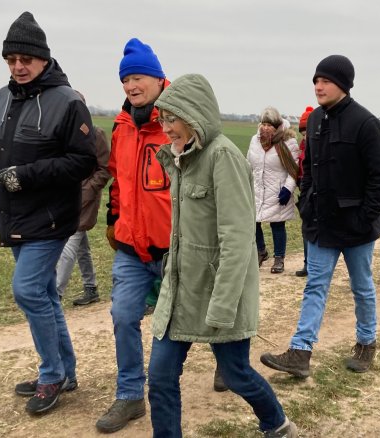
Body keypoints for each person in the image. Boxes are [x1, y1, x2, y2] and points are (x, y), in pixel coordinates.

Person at [150, 73, 298, 438]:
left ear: (195, 114)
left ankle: (277, 424)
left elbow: (238, 239)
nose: (166, 129)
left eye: (173, 119)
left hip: (220, 290)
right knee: (160, 376)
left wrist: (223, 303)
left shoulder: (223, 158)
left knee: (235, 374)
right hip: (182, 289)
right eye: (163, 119)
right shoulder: (179, 157)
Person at [0, 11, 96, 415]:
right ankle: (65, 371)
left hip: (51, 218)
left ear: (44, 59)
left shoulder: (68, 102)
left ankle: (51, 374)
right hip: (14, 218)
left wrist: (26, 176)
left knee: (26, 291)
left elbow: (83, 162)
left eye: (26, 59)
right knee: (42, 295)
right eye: (11, 60)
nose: (18, 67)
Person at [261, 55, 380, 377]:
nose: (318, 86)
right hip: (322, 223)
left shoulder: (365, 122)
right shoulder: (316, 120)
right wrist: (306, 205)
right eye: (316, 81)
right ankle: (300, 352)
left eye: (326, 81)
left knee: (361, 286)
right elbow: (307, 170)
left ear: (343, 84)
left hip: (357, 226)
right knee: (315, 286)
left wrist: (365, 217)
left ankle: (366, 344)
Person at [96, 38, 176, 433]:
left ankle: (227, 364)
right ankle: (130, 396)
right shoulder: (122, 126)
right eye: (126, 78)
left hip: (175, 248)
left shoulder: (178, 124)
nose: (131, 85)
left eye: (138, 76)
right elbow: (117, 181)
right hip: (131, 248)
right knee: (123, 315)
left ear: (160, 79)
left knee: (190, 318)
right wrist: (114, 220)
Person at [55, 92, 111, 306]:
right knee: (80, 246)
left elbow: (105, 169)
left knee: (69, 244)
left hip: (84, 199)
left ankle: (56, 294)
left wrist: (88, 191)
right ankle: (91, 288)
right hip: (64, 196)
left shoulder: (95, 133)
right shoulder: (61, 133)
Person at [248, 107, 301, 274]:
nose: (265, 128)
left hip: (278, 190)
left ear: (277, 125)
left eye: (269, 124)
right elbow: (248, 163)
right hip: (257, 188)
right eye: (263, 124)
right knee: (252, 222)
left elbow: (293, 170)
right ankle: (261, 251)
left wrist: (287, 189)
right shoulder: (255, 141)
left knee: (277, 224)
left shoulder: (288, 142)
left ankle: (279, 258)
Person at [295, 106, 314, 277]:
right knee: (305, 228)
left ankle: (315, 266)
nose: (305, 134)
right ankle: (308, 264)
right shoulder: (301, 146)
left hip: (318, 191)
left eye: (307, 130)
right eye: (302, 131)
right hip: (304, 190)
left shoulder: (321, 145)